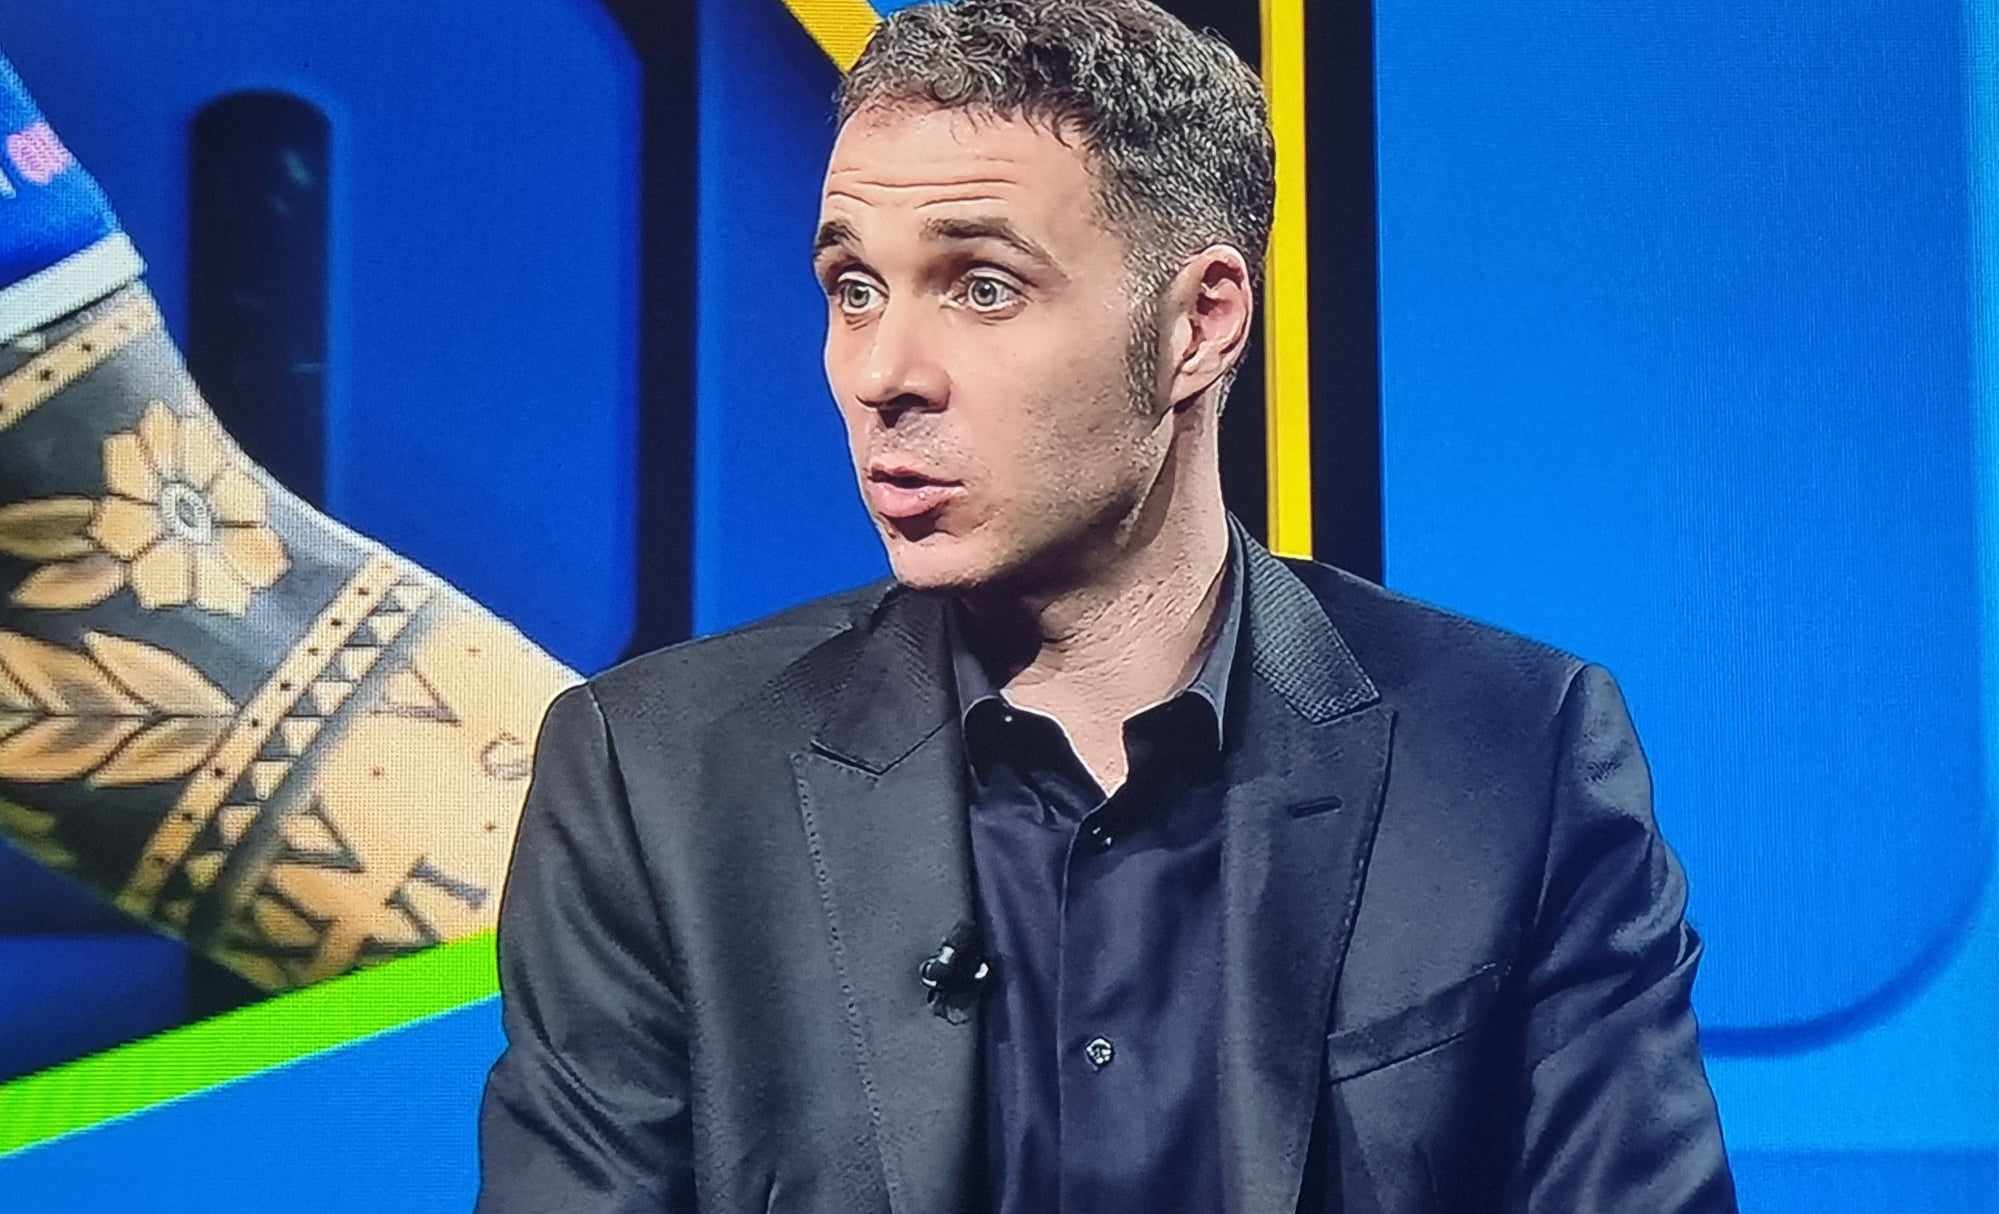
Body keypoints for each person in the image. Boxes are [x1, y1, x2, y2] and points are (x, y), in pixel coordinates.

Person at [476, 1, 1735, 1211]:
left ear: (1199, 323)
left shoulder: (1513, 756)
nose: (882, 372)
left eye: (980, 285)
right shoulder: (658, 782)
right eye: (854, 286)